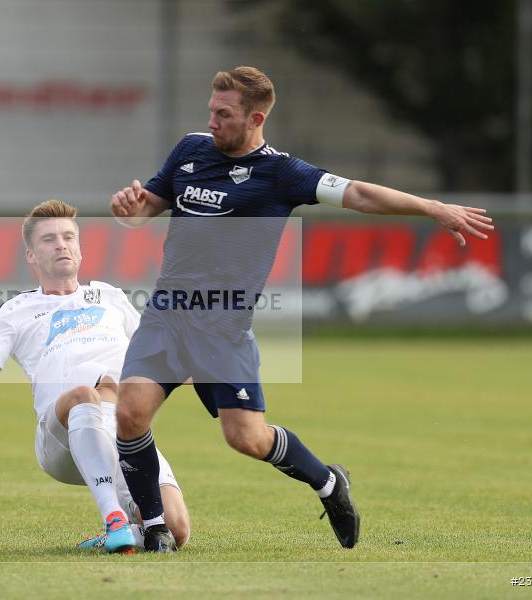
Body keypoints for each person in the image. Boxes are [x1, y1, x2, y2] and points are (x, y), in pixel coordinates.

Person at [110, 66, 494, 552]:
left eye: (224, 114)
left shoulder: (282, 173)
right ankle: (155, 528)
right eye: (210, 110)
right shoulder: (189, 150)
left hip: (222, 329)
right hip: (167, 315)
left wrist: (430, 207)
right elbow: (147, 207)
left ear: (255, 118)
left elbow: (356, 193)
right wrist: (129, 210)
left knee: (246, 438)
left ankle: (329, 482)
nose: (212, 121)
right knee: (130, 413)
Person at [0, 200, 190, 553]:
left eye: (68, 236)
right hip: (60, 437)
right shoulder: (16, 311)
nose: (61, 244)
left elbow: (163, 359)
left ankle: (120, 534)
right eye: (49, 239)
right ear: (30, 256)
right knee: (86, 393)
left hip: (125, 435)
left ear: (80, 248)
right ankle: (114, 518)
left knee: (176, 530)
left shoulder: (112, 298)